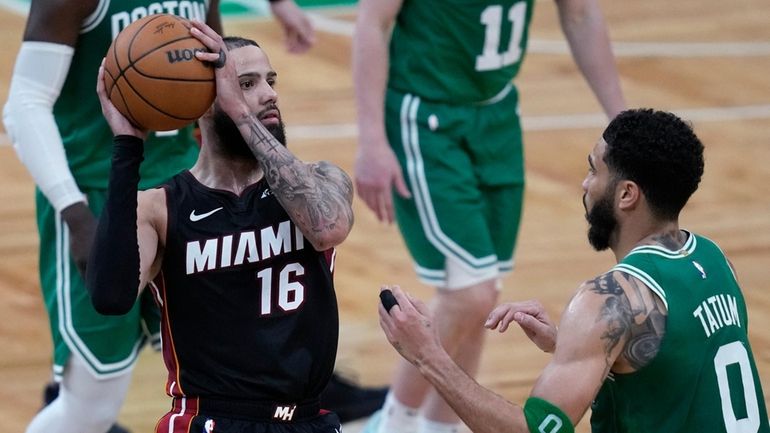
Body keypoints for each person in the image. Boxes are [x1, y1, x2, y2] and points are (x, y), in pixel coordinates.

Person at [377, 109, 770, 433]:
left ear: (627, 194)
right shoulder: (717, 261)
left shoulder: (610, 299)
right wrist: (572, 344)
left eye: (593, 170)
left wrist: (429, 356)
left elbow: (535, 432)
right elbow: (673, 367)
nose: (584, 184)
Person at [352, 0, 625, 432]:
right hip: (426, 117)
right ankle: (394, 421)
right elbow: (372, 20)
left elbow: (580, 14)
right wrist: (370, 140)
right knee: (471, 294)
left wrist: (620, 121)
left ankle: (440, 426)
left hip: (497, 116)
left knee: (480, 289)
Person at [87, 22, 353, 433]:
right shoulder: (160, 207)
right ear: (205, 101)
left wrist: (243, 112)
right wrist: (127, 147)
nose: (269, 94)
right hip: (211, 420)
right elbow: (110, 297)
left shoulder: (319, 180)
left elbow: (327, 230)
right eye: (245, 83)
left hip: (307, 419)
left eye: (270, 80)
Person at [2, 2, 222, 433]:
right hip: (98, 198)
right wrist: (74, 213)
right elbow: (25, 103)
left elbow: (221, 72)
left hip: (185, 192)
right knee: (92, 407)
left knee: (222, 378)